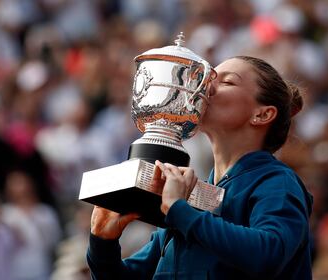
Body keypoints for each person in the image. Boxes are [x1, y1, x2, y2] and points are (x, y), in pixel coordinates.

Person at [87, 56, 313, 279]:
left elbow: (269, 254)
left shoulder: (277, 182)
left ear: (262, 114)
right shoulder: (192, 195)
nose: (205, 87)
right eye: (208, 78)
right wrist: (103, 244)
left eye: (227, 82)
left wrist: (180, 210)